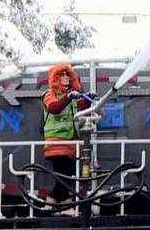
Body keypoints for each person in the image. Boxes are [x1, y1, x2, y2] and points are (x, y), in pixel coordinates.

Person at [43, 64, 86, 216]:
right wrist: (69, 97)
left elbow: (82, 106)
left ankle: (66, 207)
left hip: (70, 145)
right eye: (62, 75)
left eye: (68, 75)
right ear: (55, 79)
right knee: (63, 176)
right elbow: (54, 108)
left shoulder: (72, 97)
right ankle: (50, 204)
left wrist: (89, 99)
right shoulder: (49, 94)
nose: (66, 78)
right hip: (56, 143)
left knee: (66, 176)